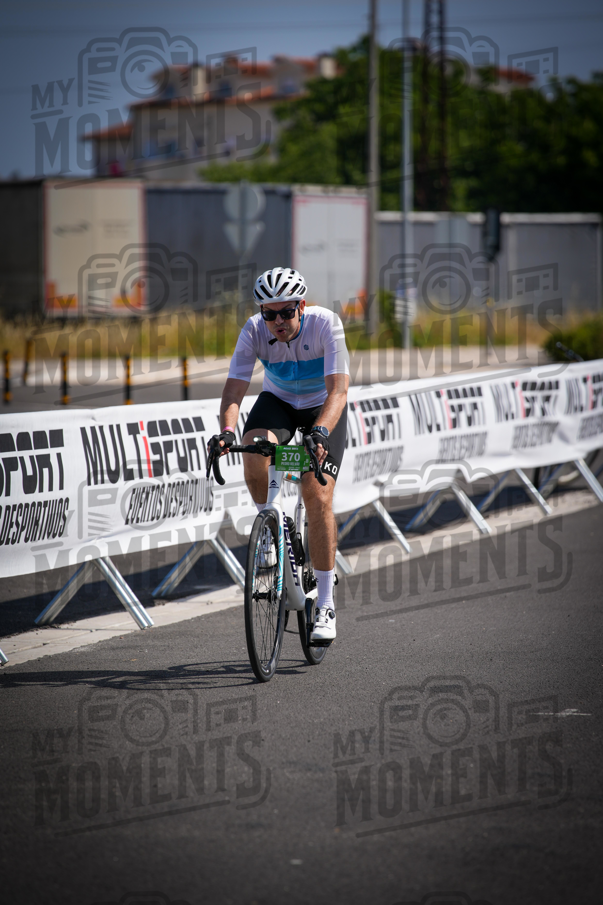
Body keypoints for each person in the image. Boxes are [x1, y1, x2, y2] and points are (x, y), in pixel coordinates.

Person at [210, 267, 349, 642]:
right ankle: (269, 528)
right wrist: (226, 431)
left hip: (322, 407)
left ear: (302, 306)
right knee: (254, 451)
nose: (277, 322)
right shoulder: (254, 331)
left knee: (316, 494)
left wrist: (320, 430)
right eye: (268, 314)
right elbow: (235, 389)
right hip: (280, 403)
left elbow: (338, 390)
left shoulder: (326, 325)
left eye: (286, 312)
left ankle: (324, 602)